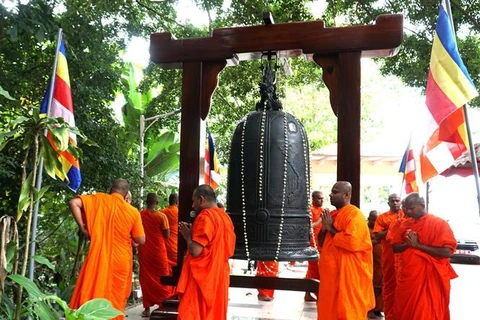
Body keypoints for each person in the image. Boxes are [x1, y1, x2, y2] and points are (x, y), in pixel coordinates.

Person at [69, 179, 145, 319]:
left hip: (98, 256)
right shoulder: (132, 211)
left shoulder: (99, 199)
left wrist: (83, 228)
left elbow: (73, 203)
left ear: (111, 189)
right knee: (116, 297)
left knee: (95, 289)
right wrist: (131, 239)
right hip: (120, 261)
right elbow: (141, 239)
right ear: (126, 194)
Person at [391, 193, 457, 319]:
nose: (408, 212)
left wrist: (418, 245)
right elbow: (395, 248)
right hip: (409, 276)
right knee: (406, 310)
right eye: (405, 208)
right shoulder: (404, 224)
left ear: (422, 205)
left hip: (431, 276)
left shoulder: (439, 224)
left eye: (411, 208)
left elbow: (447, 252)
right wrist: (407, 244)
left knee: (427, 311)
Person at [177, 184, 236, 320]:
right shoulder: (226, 218)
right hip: (219, 277)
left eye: (194, 201)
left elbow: (195, 251)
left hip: (203, 279)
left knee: (196, 314)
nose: (192, 206)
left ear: (201, 199)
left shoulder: (205, 217)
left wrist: (187, 236)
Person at [317, 181, 375, 320]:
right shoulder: (332, 215)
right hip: (331, 275)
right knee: (329, 310)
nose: (330, 195)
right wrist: (324, 229)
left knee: (349, 311)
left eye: (335, 192)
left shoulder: (355, 215)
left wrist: (330, 227)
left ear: (347, 195)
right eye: (331, 191)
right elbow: (321, 242)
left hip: (349, 276)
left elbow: (352, 243)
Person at [137, 193, 172, 317]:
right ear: (157, 203)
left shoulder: (140, 215)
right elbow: (167, 236)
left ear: (146, 202)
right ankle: (164, 306)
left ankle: (146, 310)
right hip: (158, 252)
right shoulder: (162, 216)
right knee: (163, 276)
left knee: (146, 279)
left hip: (145, 250)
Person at [373, 193, 403, 320]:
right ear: (388, 203)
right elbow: (377, 236)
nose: (395, 203)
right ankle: (389, 314)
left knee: (403, 286)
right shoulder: (382, 217)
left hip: (404, 256)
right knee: (389, 285)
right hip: (389, 256)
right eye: (392, 201)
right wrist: (393, 226)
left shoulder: (406, 215)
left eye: (397, 200)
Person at [304, 190, 325, 302]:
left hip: (322, 244)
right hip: (313, 244)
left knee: (318, 269)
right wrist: (321, 219)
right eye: (319, 198)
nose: (321, 201)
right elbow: (308, 227)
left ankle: (310, 294)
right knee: (314, 269)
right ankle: (312, 293)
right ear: (313, 199)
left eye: (322, 199)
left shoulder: (322, 210)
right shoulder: (310, 210)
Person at [367, 210, 384, 318]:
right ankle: (370, 309)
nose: (376, 222)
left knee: (380, 285)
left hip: (380, 264)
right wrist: (377, 240)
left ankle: (378, 308)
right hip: (370, 263)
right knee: (371, 286)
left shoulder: (379, 229)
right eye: (374, 220)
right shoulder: (365, 229)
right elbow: (364, 242)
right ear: (369, 219)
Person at [161, 193, 179, 268]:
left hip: (165, 245)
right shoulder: (179, 212)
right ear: (177, 202)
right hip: (175, 244)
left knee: (166, 267)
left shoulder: (162, 213)